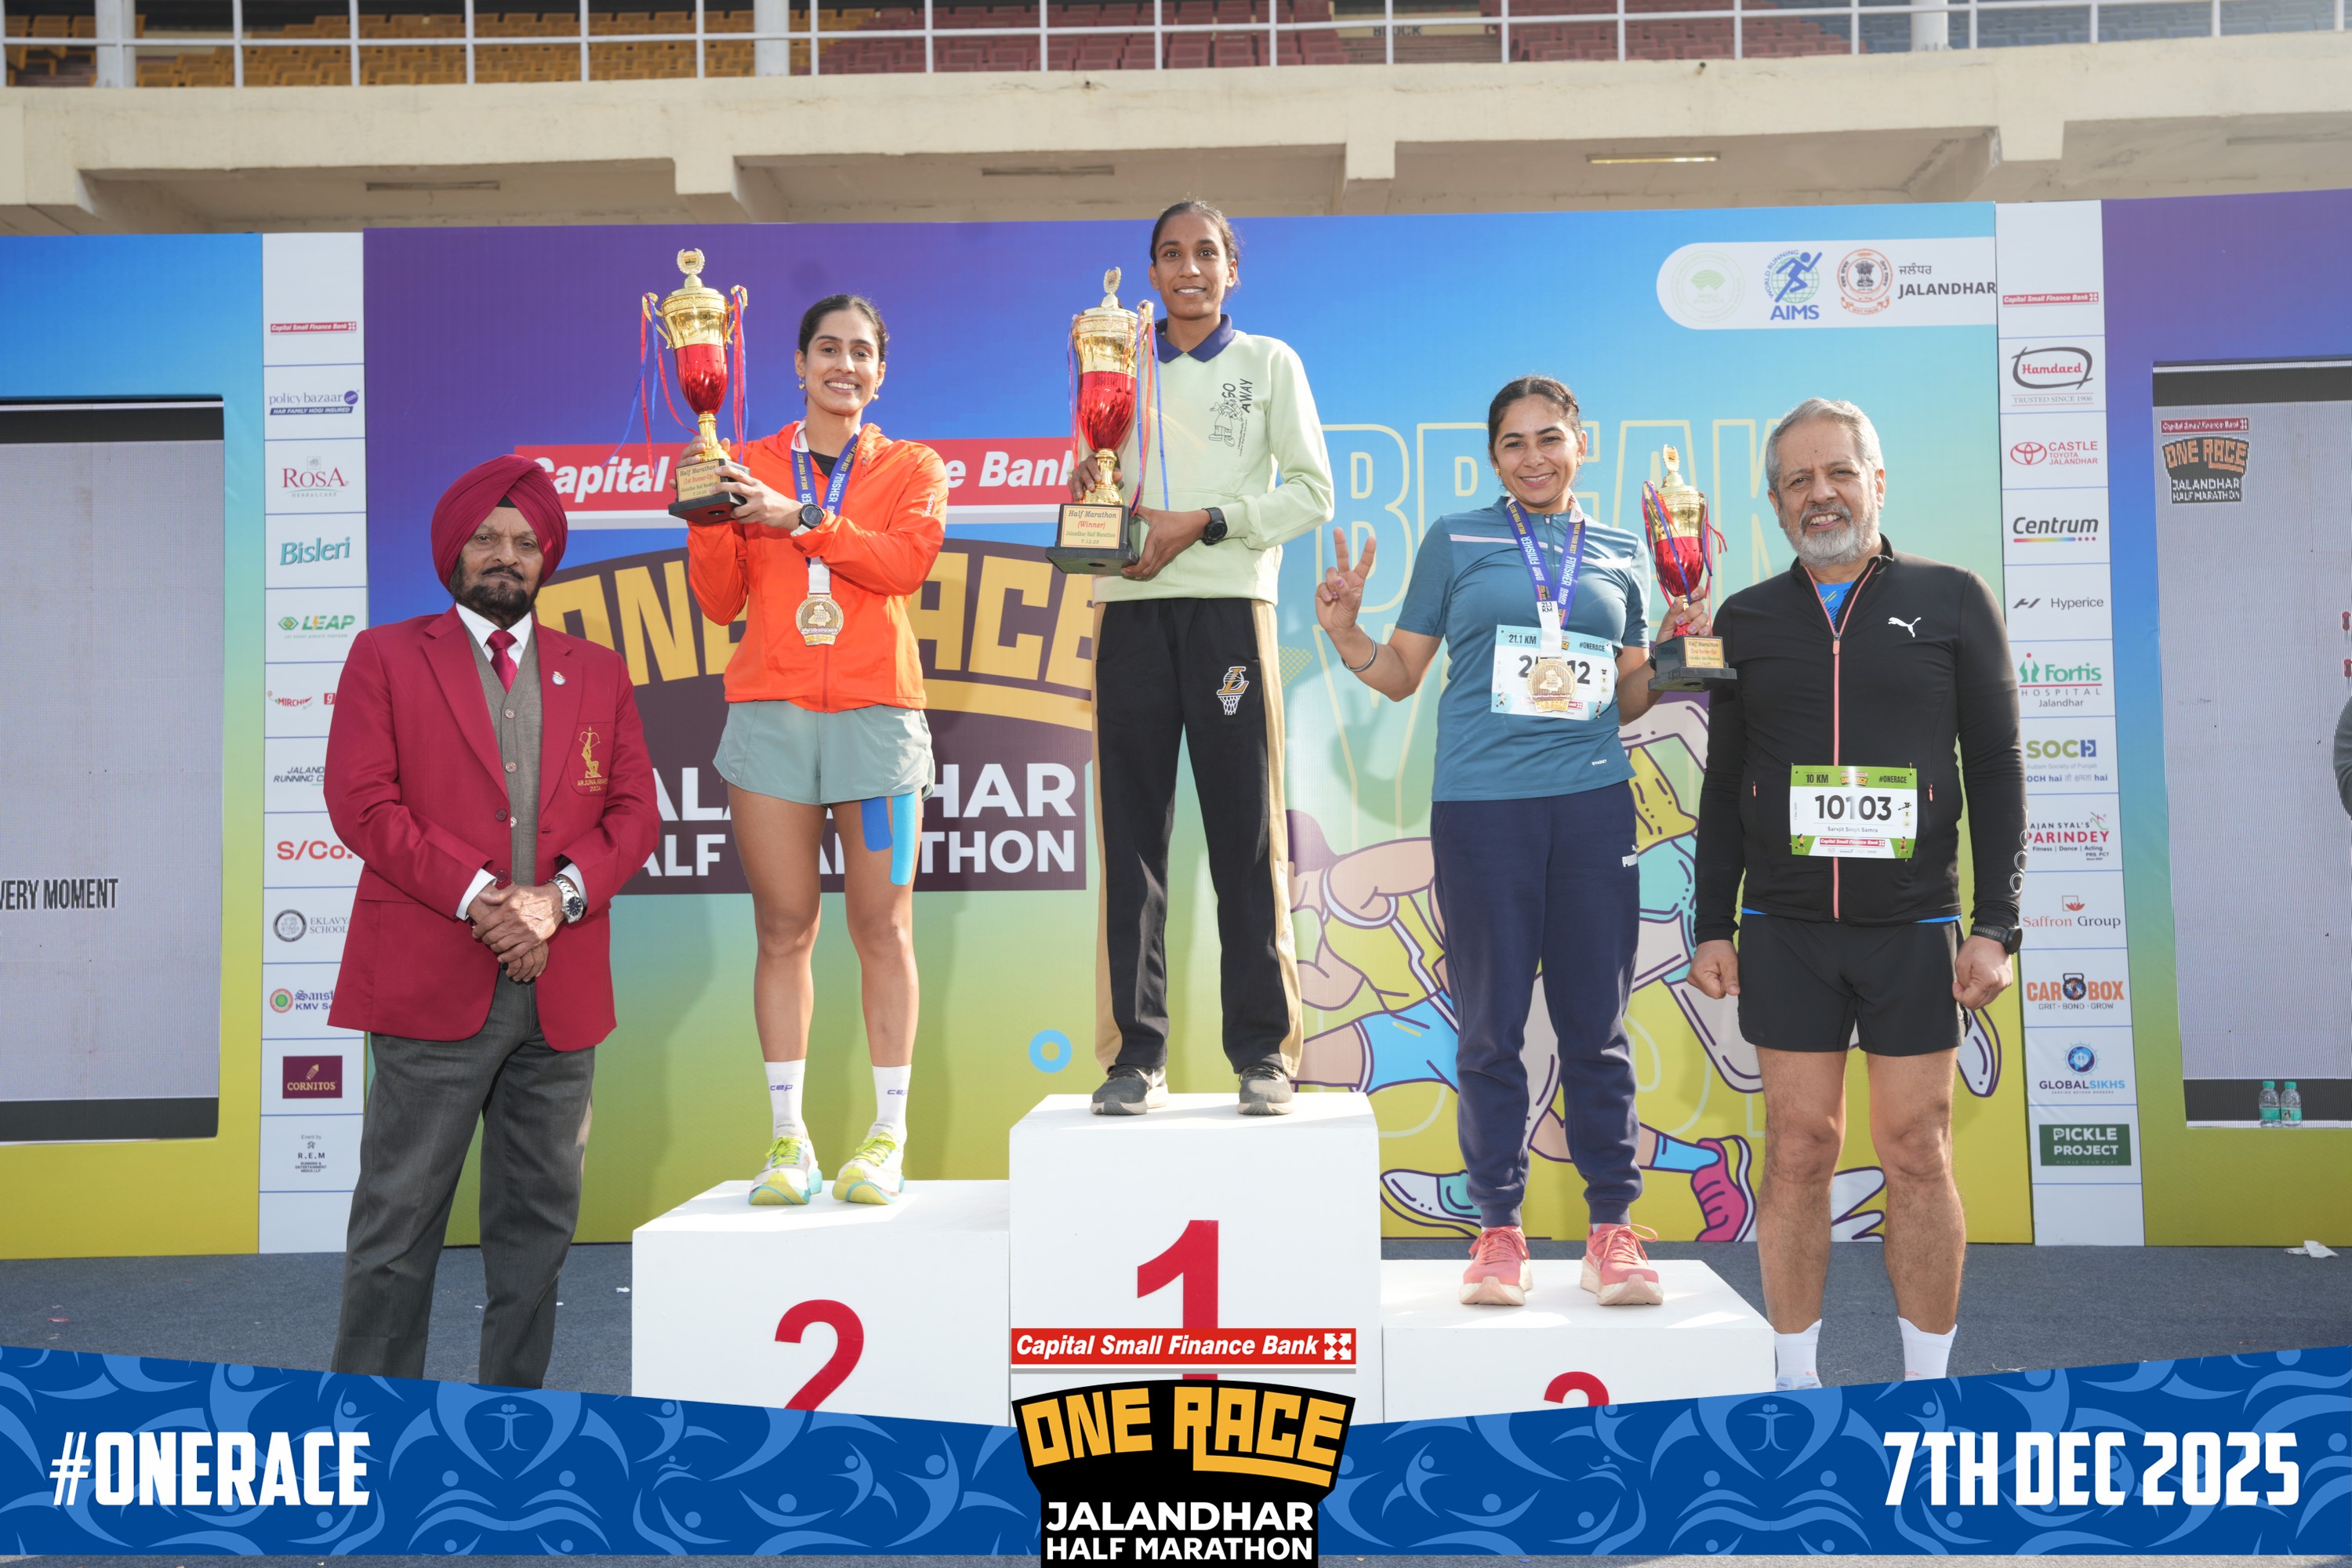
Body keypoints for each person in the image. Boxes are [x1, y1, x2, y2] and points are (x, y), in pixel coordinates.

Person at [1312, 374, 1708, 1309]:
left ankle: (1612, 1230)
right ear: (1493, 458)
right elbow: (1401, 674)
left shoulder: (1624, 550)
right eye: (1514, 443)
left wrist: (1678, 647)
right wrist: (1346, 632)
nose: (1534, 457)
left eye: (1550, 438)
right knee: (1489, 1025)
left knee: (1596, 1026)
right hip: (1483, 811)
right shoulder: (1456, 539)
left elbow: (1629, 697)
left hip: (1593, 807)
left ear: (1582, 445)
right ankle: (1498, 1228)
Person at [1687, 397, 2025, 1388]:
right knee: (1799, 1148)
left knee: (1916, 1148)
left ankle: (1927, 1391)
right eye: (1798, 479)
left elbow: (1995, 766)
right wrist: (1712, 922)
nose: (1821, 493)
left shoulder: (1954, 598)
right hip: (1785, 926)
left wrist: (1997, 926)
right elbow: (1723, 779)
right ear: (1775, 502)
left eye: (1839, 471)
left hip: (1912, 923)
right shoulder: (1744, 619)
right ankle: (1798, 1387)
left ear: (1878, 481)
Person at [325, 454, 659, 1388]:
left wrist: (556, 900)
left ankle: (509, 1427)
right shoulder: (386, 655)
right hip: (429, 986)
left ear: (546, 556)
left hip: (561, 995)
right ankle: (368, 1429)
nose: (506, 556)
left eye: (524, 541)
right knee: (397, 1227)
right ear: (454, 552)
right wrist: (483, 898)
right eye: (486, 538)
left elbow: (636, 813)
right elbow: (362, 803)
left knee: (538, 1234)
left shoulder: (598, 670)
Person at [1073, 199, 1335, 1116]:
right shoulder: (1114, 359)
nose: (1190, 268)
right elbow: (1094, 480)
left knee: (1245, 835)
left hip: (1229, 613)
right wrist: (1091, 492)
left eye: (1207, 252)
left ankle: (1264, 1049)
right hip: (1129, 613)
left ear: (1233, 269)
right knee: (1130, 840)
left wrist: (1209, 520)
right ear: (1151, 273)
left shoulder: (1269, 362)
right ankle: (1133, 1054)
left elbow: (1312, 493)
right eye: (1172, 253)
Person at [688, 293, 948, 1207]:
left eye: (861, 352)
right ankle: (788, 1138)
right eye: (828, 349)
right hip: (771, 715)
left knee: (884, 927)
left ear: (881, 372)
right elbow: (719, 603)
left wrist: (797, 516)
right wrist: (711, 513)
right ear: (799, 364)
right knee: (783, 926)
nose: (845, 365)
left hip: (878, 717)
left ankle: (887, 1136)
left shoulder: (913, 466)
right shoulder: (746, 462)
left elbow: (902, 564)